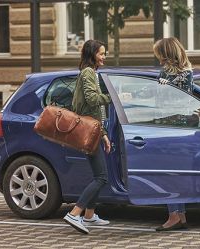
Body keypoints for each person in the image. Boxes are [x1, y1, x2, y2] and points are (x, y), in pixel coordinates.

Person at [63, 40, 111, 234]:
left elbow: (95, 110)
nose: (104, 57)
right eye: (101, 53)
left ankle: (89, 216)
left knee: (98, 175)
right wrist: (114, 98)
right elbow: (92, 100)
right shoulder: (88, 73)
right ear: (92, 55)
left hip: (94, 130)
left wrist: (104, 135)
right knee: (101, 178)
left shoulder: (90, 72)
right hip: (89, 131)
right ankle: (75, 213)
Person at [153, 37, 193, 231]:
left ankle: (173, 215)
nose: (158, 58)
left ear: (167, 54)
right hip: (181, 128)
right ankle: (181, 214)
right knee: (177, 173)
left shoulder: (169, 75)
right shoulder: (187, 73)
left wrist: (161, 87)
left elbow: (167, 102)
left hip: (169, 127)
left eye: (159, 54)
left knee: (168, 174)